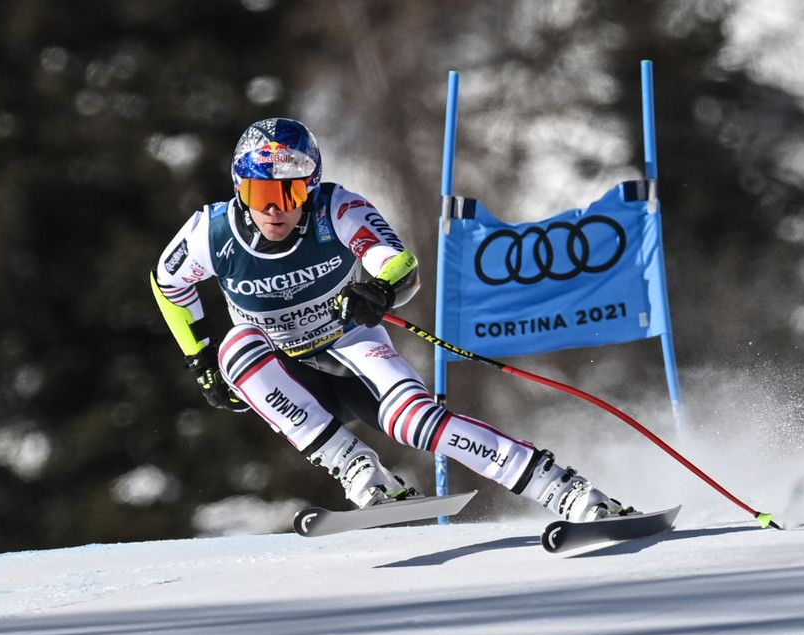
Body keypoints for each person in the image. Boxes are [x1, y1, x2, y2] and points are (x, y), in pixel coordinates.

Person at [151, 117, 630, 521]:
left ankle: (563, 489)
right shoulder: (211, 234)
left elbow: (400, 264)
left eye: (291, 191)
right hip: (288, 377)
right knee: (235, 348)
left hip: (349, 348)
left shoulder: (336, 209)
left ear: (310, 188)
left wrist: (379, 290)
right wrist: (199, 358)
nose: (275, 209)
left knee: (418, 423)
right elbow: (167, 284)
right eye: (260, 194)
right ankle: (358, 469)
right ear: (240, 189)